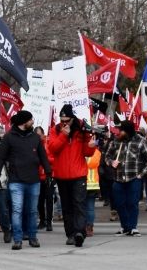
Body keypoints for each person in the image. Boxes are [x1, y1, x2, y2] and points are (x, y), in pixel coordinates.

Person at [0, 110, 52, 250]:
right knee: (17, 210)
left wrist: (49, 172)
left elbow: (43, 156)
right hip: (16, 180)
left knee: (32, 211)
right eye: (31, 120)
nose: (33, 122)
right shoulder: (9, 137)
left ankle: (32, 237)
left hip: (34, 180)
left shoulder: (35, 137)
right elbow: (1, 156)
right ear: (23, 122)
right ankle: (18, 239)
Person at [48, 104, 95, 248]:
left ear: (72, 118)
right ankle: (70, 234)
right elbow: (53, 148)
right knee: (67, 207)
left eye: (67, 120)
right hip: (62, 175)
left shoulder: (82, 129)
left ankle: (79, 233)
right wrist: (64, 135)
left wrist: (91, 145)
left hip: (78, 174)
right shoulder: (56, 130)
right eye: (62, 120)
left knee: (79, 204)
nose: (64, 123)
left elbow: (87, 152)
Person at [105, 120, 147, 237]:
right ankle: (125, 226)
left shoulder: (141, 141)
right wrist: (111, 162)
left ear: (128, 131)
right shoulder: (116, 141)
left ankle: (133, 227)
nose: (119, 132)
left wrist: (141, 174)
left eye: (122, 130)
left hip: (134, 177)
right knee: (119, 203)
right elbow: (107, 155)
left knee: (132, 203)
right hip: (118, 177)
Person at [34, 126, 55, 232]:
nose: (38, 137)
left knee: (49, 199)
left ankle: (49, 221)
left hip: (48, 175)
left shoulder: (48, 144)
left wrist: (45, 158)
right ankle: (42, 220)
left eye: (39, 134)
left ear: (43, 134)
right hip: (37, 176)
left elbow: (54, 158)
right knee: (40, 200)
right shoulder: (33, 145)